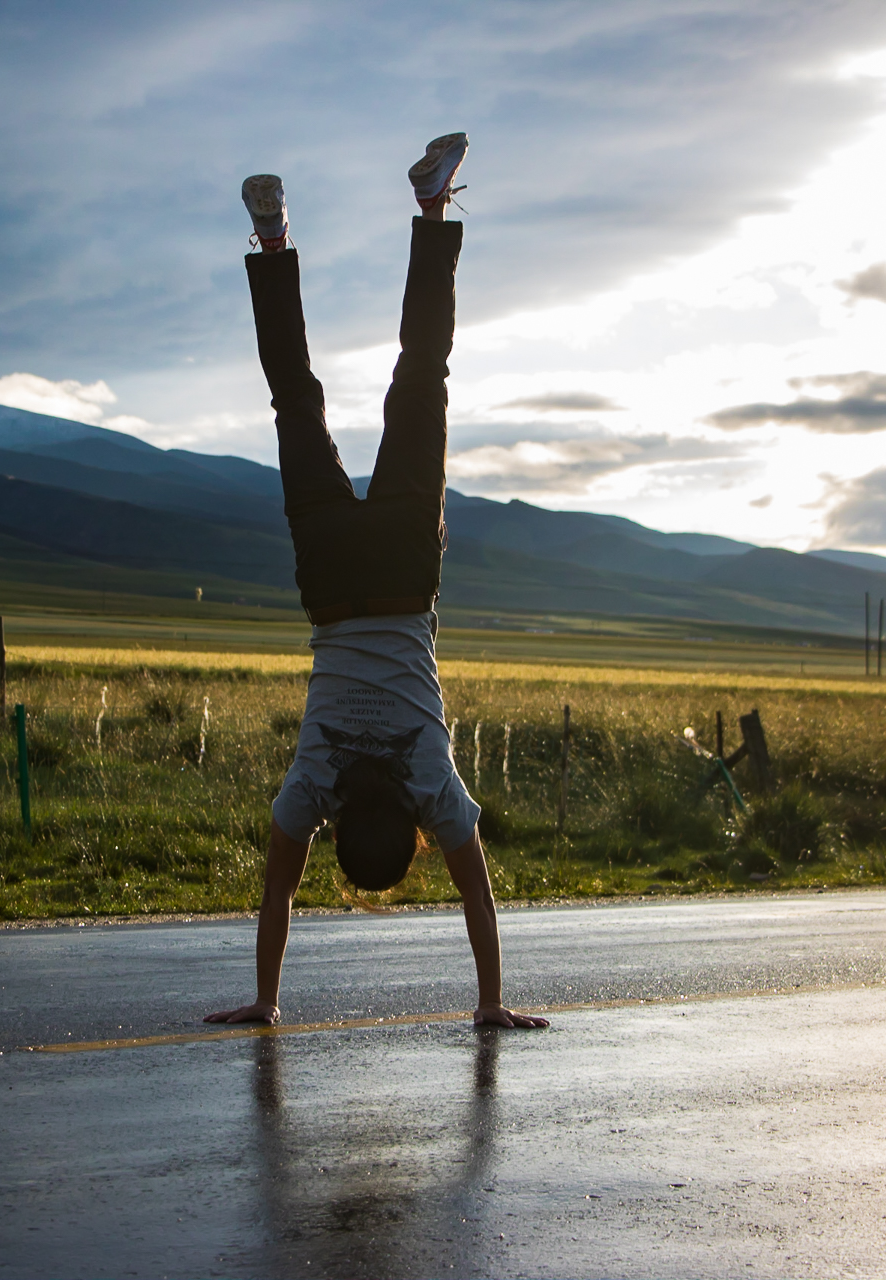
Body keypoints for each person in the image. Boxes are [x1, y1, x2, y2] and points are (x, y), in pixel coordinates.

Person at [206, 134, 548, 1032]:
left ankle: (432, 208)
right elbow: (276, 897)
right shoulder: (310, 783)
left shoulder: (432, 781)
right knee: (295, 401)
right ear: (336, 831)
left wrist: (492, 1004)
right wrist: (265, 1000)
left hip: (400, 567)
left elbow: (479, 902)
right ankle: (272, 238)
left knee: (421, 374)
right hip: (330, 579)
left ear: (417, 830)